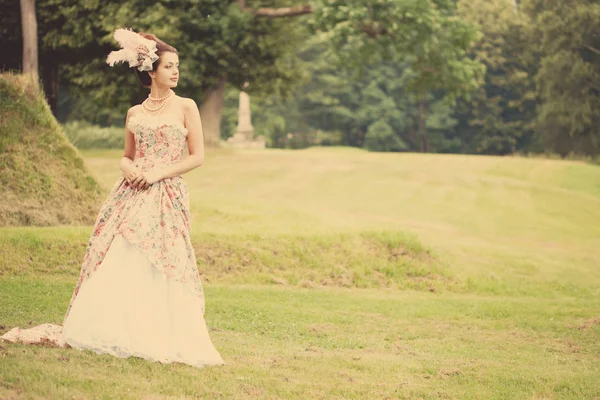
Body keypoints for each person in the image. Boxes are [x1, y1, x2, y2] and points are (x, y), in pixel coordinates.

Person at [1, 28, 224, 369]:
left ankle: (160, 332)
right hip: (131, 191)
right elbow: (125, 155)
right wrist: (130, 170)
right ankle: (117, 328)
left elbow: (197, 157)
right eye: (169, 66)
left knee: (162, 256)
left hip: (165, 191)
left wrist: (156, 174)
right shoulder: (135, 112)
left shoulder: (186, 106)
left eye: (177, 65)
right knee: (121, 250)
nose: (176, 71)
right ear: (151, 72)